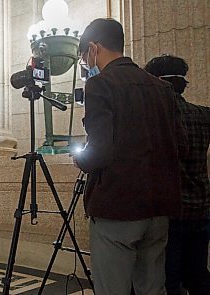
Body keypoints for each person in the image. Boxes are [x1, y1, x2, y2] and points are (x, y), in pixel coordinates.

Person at [71, 19, 187, 295]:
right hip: (159, 206)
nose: (86, 64)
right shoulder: (161, 88)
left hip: (117, 206)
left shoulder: (100, 84)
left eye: (85, 58)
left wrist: (80, 158)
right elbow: (179, 143)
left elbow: (99, 150)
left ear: (93, 48)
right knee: (152, 288)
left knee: (113, 289)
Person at [145, 55, 210, 295]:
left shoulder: (155, 120)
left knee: (169, 279)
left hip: (168, 212)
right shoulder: (204, 115)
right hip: (201, 207)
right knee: (199, 276)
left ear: (157, 82)